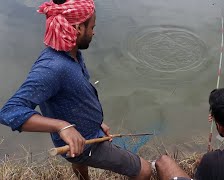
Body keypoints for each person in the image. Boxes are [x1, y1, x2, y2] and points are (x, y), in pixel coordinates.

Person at [0, 0, 151, 179]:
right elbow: (10, 111)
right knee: (144, 170)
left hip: (79, 141)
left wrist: (96, 123)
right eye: (92, 27)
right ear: (78, 28)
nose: (94, 32)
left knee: (78, 162)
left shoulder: (72, 54)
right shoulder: (52, 68)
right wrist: (63, 126)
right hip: (86, 145)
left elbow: (75, 96)